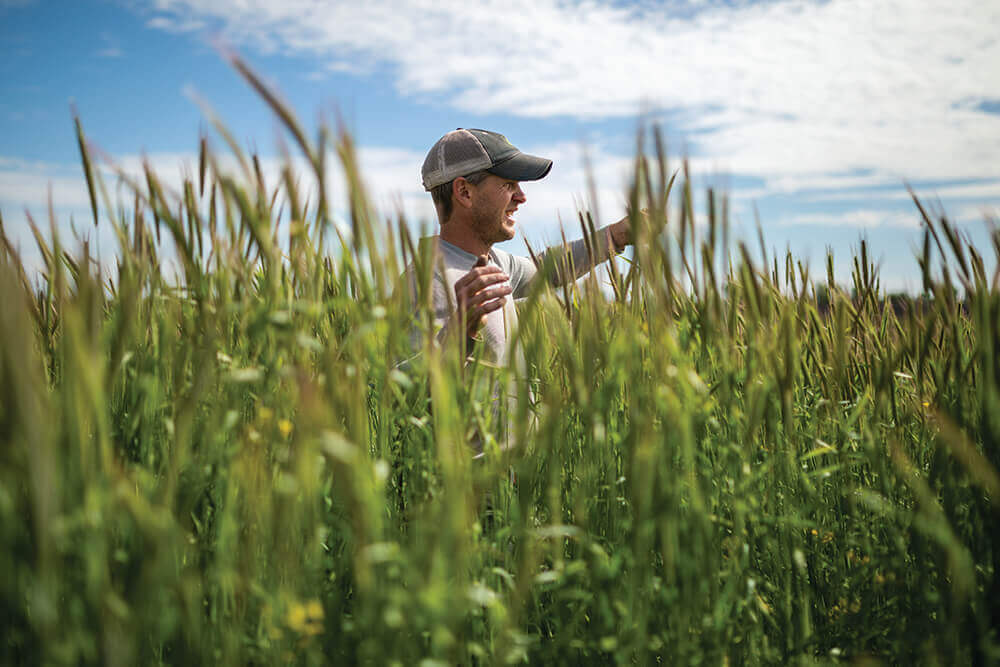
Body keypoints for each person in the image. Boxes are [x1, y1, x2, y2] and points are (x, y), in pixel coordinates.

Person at [403, 128, 632, 370]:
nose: (522, 197)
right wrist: (459, 335)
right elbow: (403, 392)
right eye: (509, 184)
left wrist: (617, 235)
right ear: (464, 192)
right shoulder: (426, 280)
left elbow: (546, 269)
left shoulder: (494, 262)